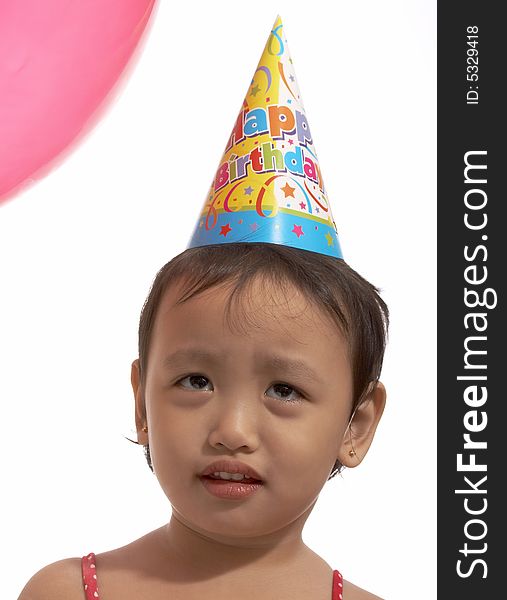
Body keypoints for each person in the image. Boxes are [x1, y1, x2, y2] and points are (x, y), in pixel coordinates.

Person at [18, 17, 388, 600]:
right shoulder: (67, 593)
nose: (232, 432)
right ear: (142, 402)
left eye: (283, 390)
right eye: (196, 380)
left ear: (357, 425)